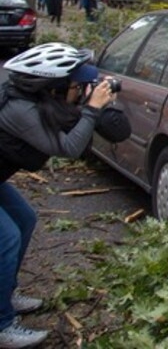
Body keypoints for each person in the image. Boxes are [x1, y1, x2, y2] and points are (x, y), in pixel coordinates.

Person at [0, 43, 126, 348]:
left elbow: (82, 125)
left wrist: (96, 107)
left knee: (25, 220)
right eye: (78, 85)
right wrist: (92, 108)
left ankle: (7, 292)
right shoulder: (20, 110)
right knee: (7, 238)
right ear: (53, 85)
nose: (83, 89)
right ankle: (2, 324)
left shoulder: (35, 100)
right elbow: (68, 147)